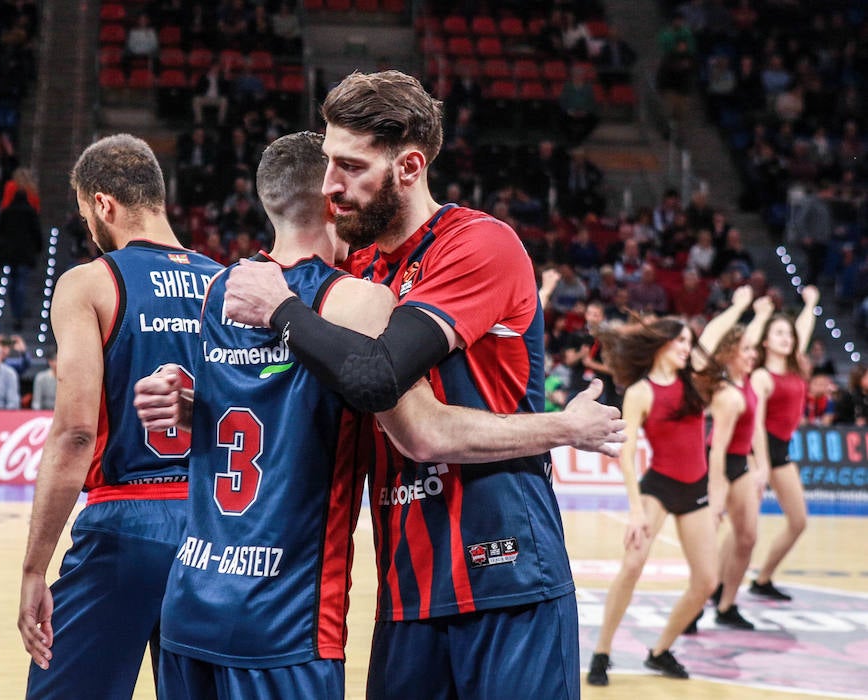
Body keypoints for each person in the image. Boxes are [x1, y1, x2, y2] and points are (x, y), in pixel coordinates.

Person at [136, 131, 624, 698]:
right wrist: (206, 403)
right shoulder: (357, 278)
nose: (334, 187)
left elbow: (413, 421)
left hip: (504, 570)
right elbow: (309, 396)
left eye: (349, 168)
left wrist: (563, 428)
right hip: (404, 582)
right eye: (330, 172)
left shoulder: (474, 243)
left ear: (407, 168)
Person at [16, 134, 223, 699]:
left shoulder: (90, 283)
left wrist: (35, 568)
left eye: (86, 217)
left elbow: (78, 432)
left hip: (128, 523)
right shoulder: (230, 285)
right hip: (218, 525)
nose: (90, 231)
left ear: (104, 205)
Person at [587, 286, 756, 685]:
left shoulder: (695, 379)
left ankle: (660, 650)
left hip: (695, 491)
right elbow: (626, 454)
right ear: (662, 344)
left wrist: (740, 307)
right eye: (680, 341)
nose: (688, 347)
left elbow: (712, 334)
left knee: (706, 582)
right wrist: (634, 510)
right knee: (632, 564)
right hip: (658, 488)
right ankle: (601, 652)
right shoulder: (643, 391)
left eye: (688, 342)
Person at [688, 295, 774, 633]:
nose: (753, 354)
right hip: (719, 466)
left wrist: (761, 465)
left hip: (742, 465)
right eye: (747, 351)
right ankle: (692, 606)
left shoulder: (749, 380)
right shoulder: (722, 386)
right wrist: (717, 491)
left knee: (748, 537)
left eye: (754, 350)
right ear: (731, 355)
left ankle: (726, 605)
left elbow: (755, 430)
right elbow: (718, 448)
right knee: (709, 540)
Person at [749, 285, 819, 601]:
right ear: (765, 340)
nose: (786, 337)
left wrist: (811, 303)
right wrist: (761, 465)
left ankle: (762, 579)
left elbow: (802, 329)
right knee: (744, 531)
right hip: (756, 451)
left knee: (799, 521)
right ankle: (721, 584)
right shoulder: (761, 374)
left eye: (787, 334)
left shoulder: (793, 366)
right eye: (778, 333)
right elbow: (756, 426)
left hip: (782, 451)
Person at [0, 187, 42, 330]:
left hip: (9, 254)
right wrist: (38, 249)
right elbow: (36, 233)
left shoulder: (7, 212)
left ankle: (16, 312)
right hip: (24, 254)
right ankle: (18, 314)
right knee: (20, 284)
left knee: (12, 284)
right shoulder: (30, 213)